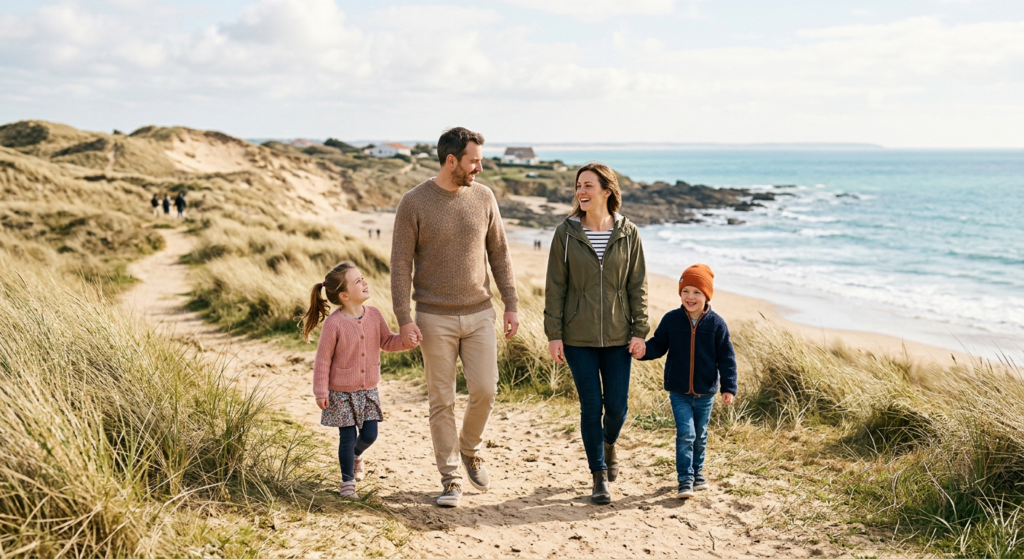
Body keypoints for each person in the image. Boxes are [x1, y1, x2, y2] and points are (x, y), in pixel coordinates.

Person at [391, 127, 519, 508]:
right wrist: (404, 317)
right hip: (432, 317)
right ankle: (450, 481)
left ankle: (470, 449)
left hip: (480, 313)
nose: (480, 167)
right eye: (473, 160)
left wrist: (511, 302)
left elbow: (500, 253)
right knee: (441, 401)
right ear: (452, 161)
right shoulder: (413, 202)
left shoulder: (484, 197)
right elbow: (400, 267)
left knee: (485, 390)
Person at [544, 162, 649, 505]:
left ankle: (608, 443)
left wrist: (639, 331)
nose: (581, 192)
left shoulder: (628, 232)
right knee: (591, 407)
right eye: (578, 186)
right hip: (577, 337)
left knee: (617, 407)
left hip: (619, 337)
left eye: (588, 186)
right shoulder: (566, 232)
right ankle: (599, 475)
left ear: (607, 190)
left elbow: (638, 286)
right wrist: (554, 333)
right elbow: (555, 287)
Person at [302, 261, 417, 498]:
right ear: (344, 295)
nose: (364, 282)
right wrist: (320, 392)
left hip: (368, 391)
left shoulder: (374, 315)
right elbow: (323, 360)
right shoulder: (334, 324)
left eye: (363, 277)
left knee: (369, 435)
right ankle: (347, 483)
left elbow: (387, 341)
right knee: (346, 437)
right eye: (357, 281)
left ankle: (356, 455)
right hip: (340, 392)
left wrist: (406, 342)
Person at [637, 264, 737, 499]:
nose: (690, 297)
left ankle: (698, 472)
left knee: (700, 434)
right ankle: (685, 480)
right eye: (686, 291)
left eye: (697, 292)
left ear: (707, 295)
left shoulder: (717, 324)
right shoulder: (672, 320)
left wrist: (729, 387)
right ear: (680, 293)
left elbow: (727, 358)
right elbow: (658, 344)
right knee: (686, 433)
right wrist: (642, 350)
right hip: (679, 390)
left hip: (705, 392)